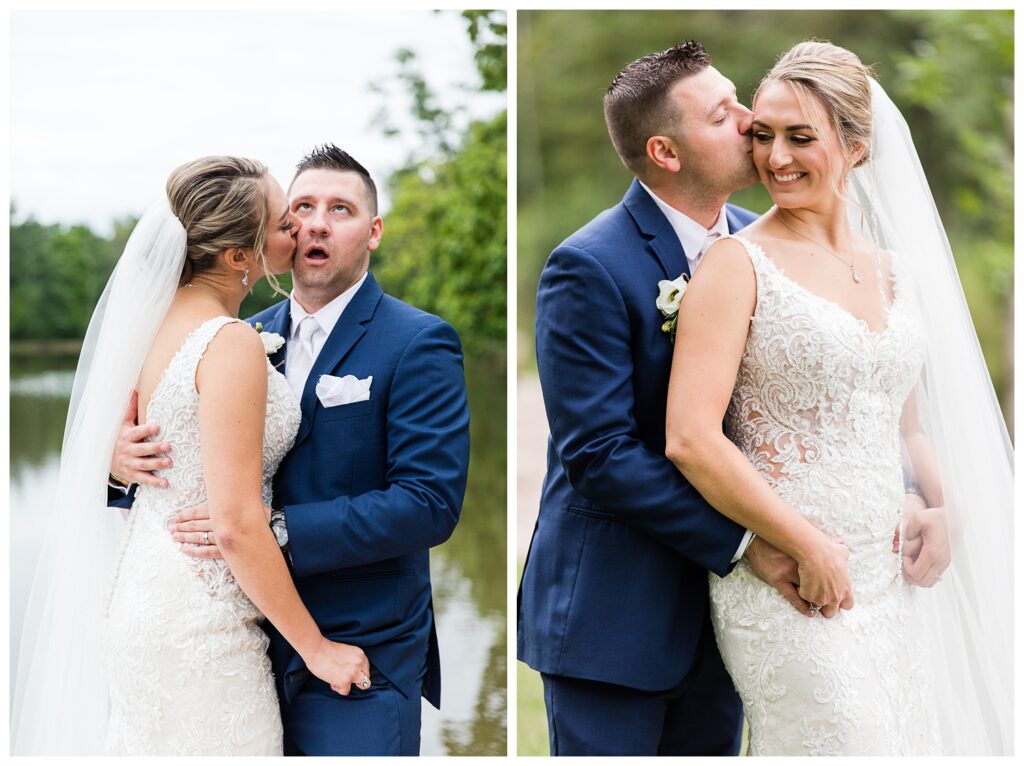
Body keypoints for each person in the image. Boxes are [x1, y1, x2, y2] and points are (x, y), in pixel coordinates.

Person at [665, 41, 1012, 755]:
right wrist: (800, 542)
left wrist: (944, 507)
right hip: (791, 582)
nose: (775, 158)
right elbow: (691, 438)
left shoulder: (894, 273)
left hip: (890, 578)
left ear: (856, 147)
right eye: (762, 135)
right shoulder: (734, 265)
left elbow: (906, 428)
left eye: (800, 137)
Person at [109, 145, 471, 755]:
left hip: (358, 647)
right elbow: (172, 448)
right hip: (228, 639)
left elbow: (428, 503)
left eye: (341, 209)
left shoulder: (418, 342)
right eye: (299, 208)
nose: (315, 224)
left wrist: (274, 530)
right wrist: (121, 463)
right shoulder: (239, 336)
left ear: (373, 231)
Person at [12, 156, 372, 754]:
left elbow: (135, 438)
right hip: (200, 621)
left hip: (141, 597)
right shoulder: (230, 343)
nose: (300, 230)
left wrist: (113, 454)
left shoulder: (152, 329)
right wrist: (317, 649)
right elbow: (234, 524)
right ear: (239, 258)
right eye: (285, 223)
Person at [519, 42, 797, 757]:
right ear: (666, 153)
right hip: (613, 619)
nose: (750, 120)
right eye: (722, 114)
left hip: (728, 625)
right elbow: (599, 454)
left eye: (739, 100)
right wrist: (744, 543)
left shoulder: (757, 247)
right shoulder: (588, 266)